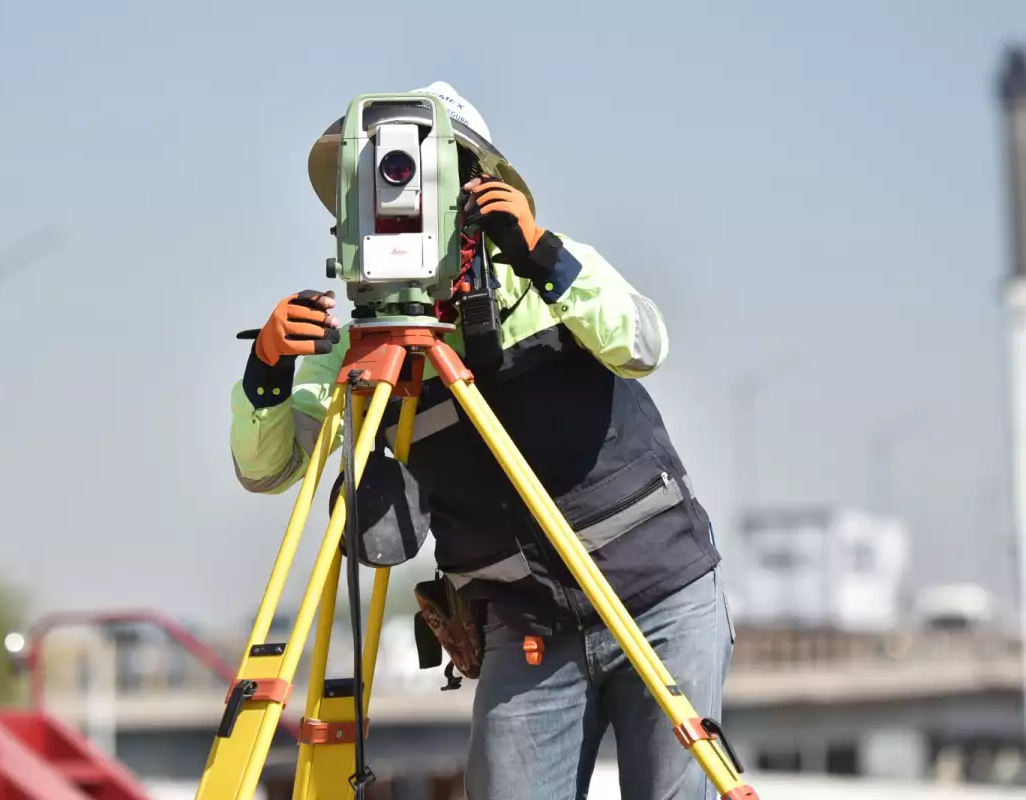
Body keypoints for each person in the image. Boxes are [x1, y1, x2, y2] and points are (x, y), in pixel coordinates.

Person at [229, 81, 735, 800]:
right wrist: (267, 372)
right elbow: (269, 468)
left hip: (661, 601)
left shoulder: (548, 275)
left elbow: (643, 344)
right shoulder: (356, 348)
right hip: (527, 631)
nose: (403, 197)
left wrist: (542, 256)